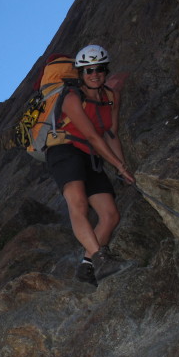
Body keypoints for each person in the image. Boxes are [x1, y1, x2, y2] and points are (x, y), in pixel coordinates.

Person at [46, 44, 135, 285]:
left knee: (110, 214)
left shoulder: (112, 97)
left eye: (100, 69)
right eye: (88, 70)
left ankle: (87, 266)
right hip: (64, 150)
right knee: (78, 203)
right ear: (80, 73)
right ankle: (101, 258)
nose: (94, 74)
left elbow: (110, 134)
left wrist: (123, 167)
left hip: (91, 157)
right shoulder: (72, 98)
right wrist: (118, 166)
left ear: (106, 70)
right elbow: (93, 136)